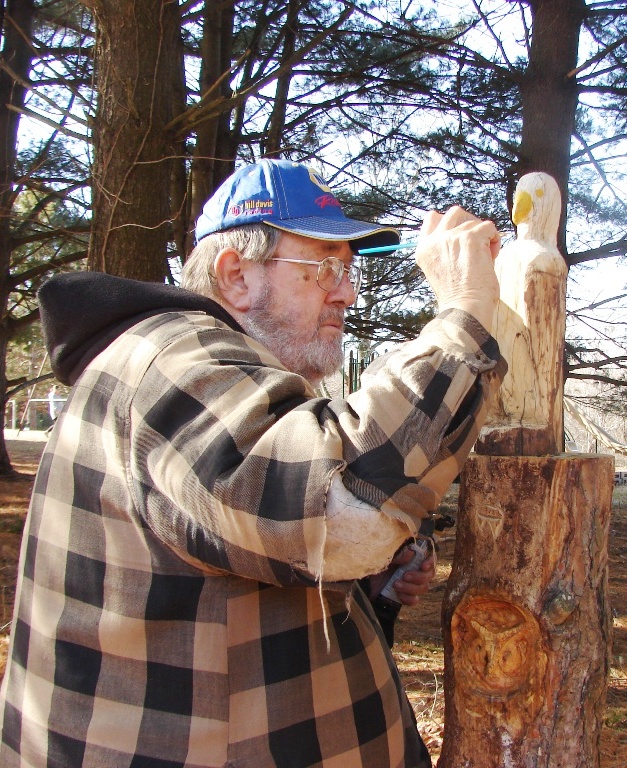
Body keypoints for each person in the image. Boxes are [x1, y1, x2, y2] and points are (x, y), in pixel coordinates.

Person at [0, 158, 503, 768]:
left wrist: (369, 586)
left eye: (348, 271)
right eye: (325, 268)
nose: (346, 292)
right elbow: (344, 510)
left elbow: (231, 556)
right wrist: (465, 311)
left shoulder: (211, 371)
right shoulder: (171, 362)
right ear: (235, 276)